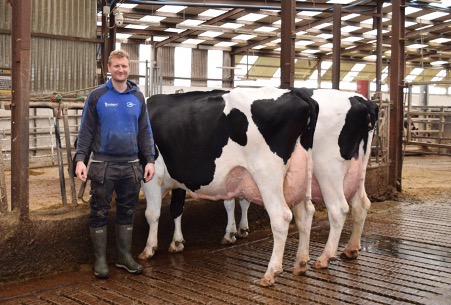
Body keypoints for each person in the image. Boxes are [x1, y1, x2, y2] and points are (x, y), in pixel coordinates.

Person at [74, 49, 155, 279]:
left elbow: (145, 132)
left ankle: (124, 256)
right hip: (102, 164)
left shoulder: (137, 97)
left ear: (129, 68)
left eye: (125, 66)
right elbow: (86, 131)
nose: (121, 70)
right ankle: (100, 260)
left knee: (127, 210)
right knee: (99, 210)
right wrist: (81, 159)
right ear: (109, 68)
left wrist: (149, 160)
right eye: (117, 66)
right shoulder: (97, 96)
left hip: (131, 165)